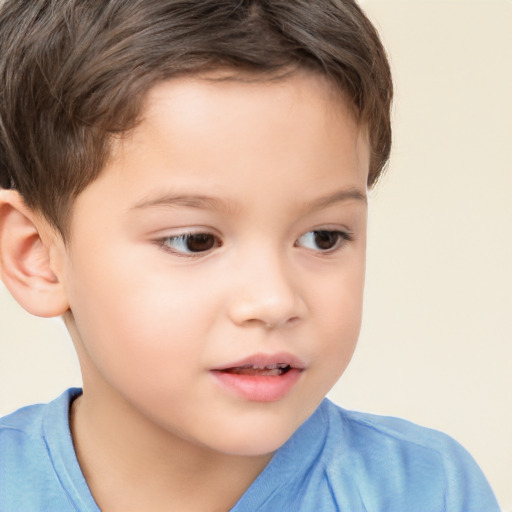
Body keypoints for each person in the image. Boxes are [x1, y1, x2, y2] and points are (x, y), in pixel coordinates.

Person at [0, 1, 501, 511]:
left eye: (323, 237)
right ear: (36, 254)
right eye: (195, 240)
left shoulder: (424, 491)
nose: (273, 300)